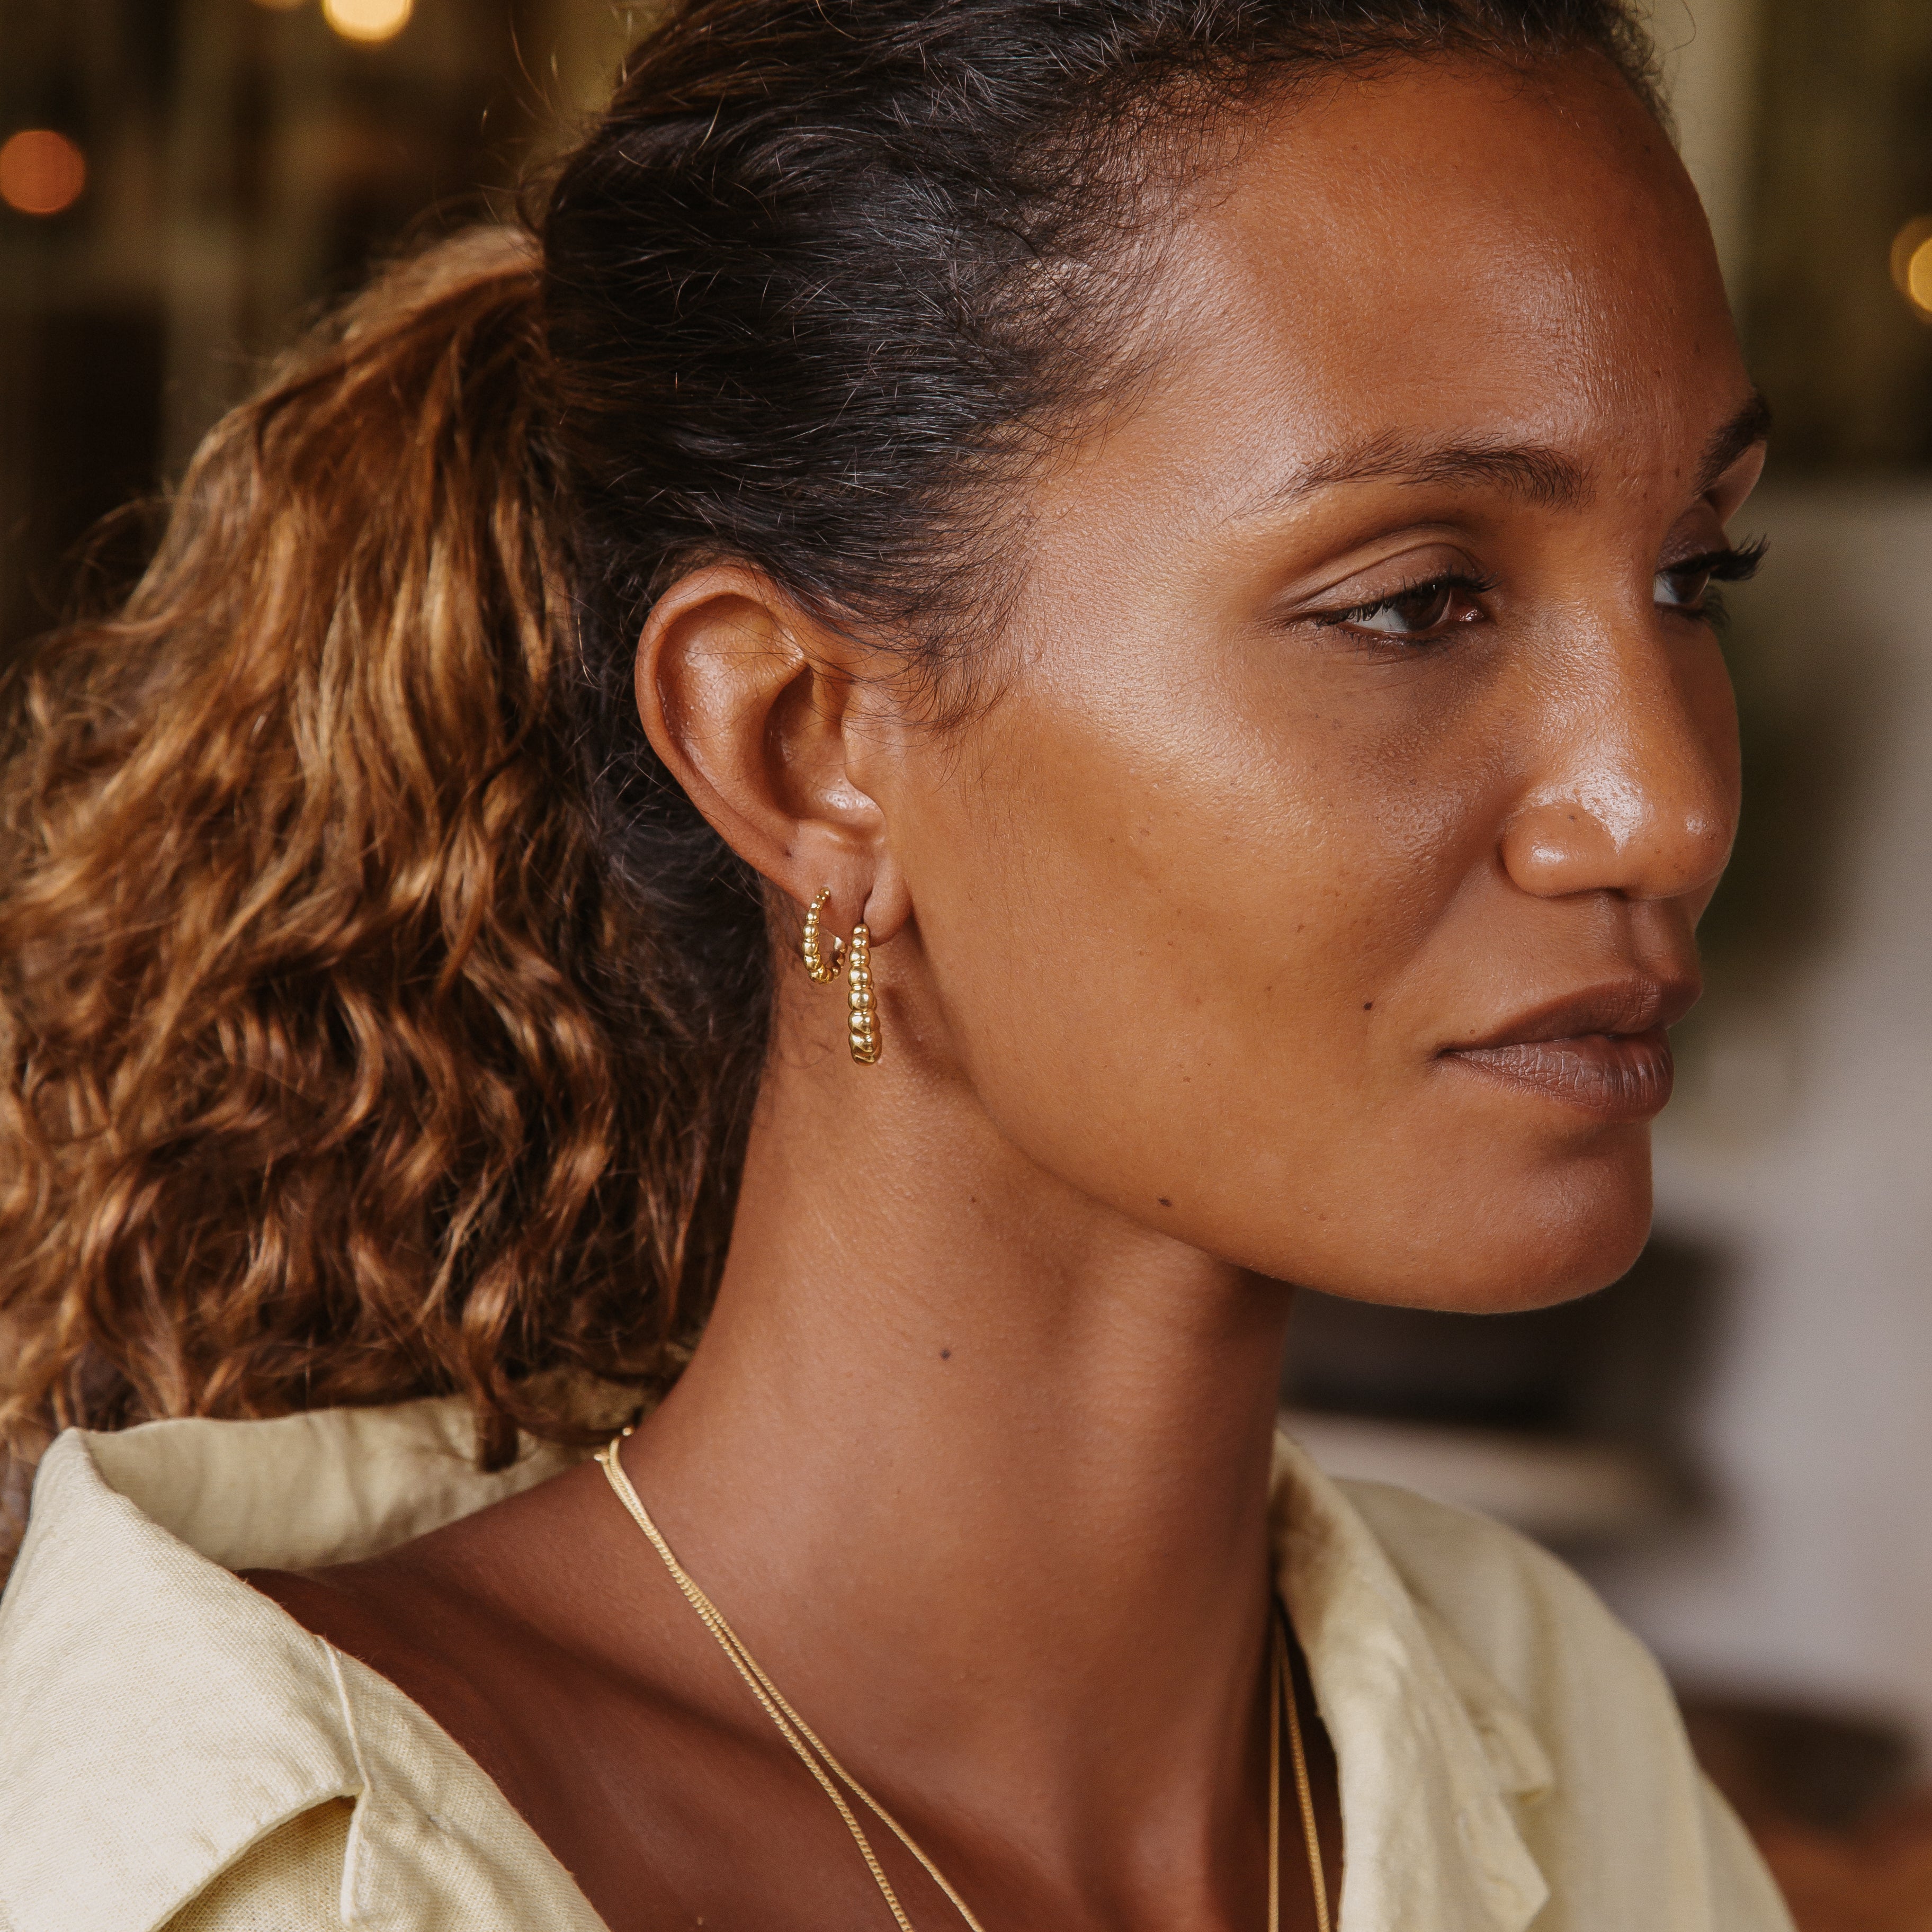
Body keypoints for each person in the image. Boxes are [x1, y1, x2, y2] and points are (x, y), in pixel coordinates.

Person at [0, 2, 1792, 1928]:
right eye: (1416, 604)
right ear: (802, 746)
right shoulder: (262, 1879)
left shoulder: (1546, 1735)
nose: (1663, 805)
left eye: (1695, 576)